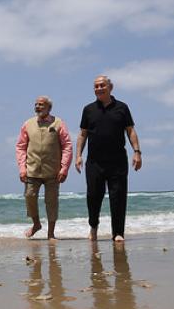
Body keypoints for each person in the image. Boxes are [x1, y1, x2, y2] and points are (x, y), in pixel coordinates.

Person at [75, 75, 142, 242]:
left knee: (118, 196)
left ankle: (118, 233)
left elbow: (130, 131)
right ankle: (93, 227)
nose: (98, 89)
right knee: (93, 196)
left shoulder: (122, 108)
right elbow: (82, 134)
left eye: (102, 85)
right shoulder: (88, 109)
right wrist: (78, 156)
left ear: (110, 87)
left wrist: (137, 152)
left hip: (117, 161)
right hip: (94, 162)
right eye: (96, 86)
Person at [16, 96, 72, 240]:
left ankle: (51, 233)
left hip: (53, 171)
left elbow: (67, 146)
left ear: (49, 107)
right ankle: (36, 224)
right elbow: (21, 147)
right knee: (29, 196)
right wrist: (22, 168)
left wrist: (64, 168)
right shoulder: (27, 124)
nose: (38, 107)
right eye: (36, 104)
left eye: (41, 105)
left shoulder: (58, 123)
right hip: (32, 170)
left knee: (51, 201)